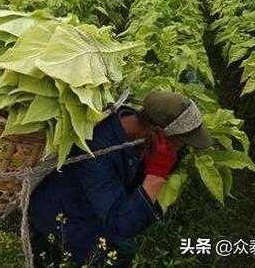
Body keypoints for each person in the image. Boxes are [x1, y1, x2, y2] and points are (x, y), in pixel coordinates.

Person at [29, 91, 213, 266]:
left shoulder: (134, 129)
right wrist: (157, 171)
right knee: (116, 255)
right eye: (180, 142)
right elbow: (120, 225)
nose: (180, 148)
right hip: (62, 214)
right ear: (158, 133)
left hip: (93, 202)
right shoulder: (98, 151)